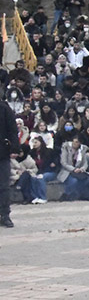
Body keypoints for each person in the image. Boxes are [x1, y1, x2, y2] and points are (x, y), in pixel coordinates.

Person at [1, 96, 21, 227]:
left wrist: (14, 147)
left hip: (1, 153)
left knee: (3, 186)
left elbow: (13, 130)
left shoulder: (3, 108)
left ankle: (5, 214)